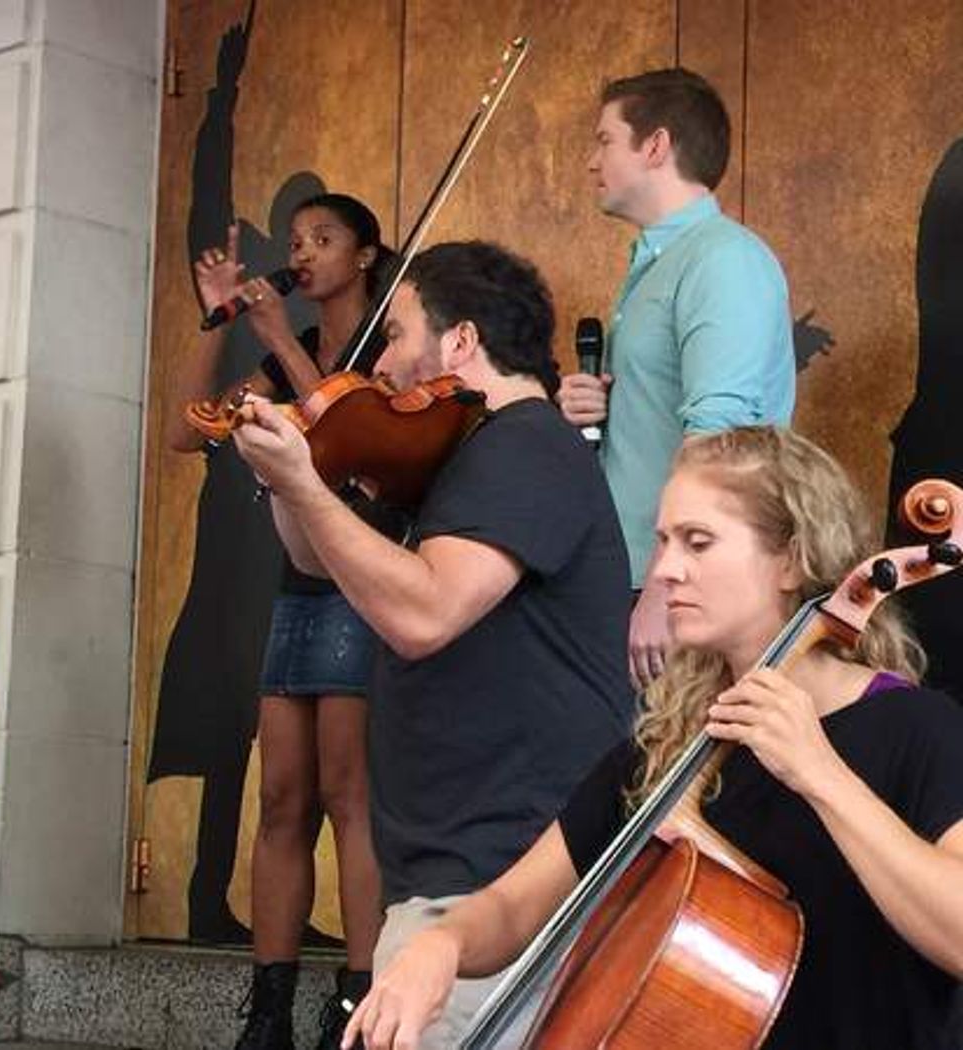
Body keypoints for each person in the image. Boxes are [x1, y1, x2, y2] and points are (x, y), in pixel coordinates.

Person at [343, 427, 963, 1050]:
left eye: (698, 542)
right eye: (663, 542)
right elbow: (512, 907)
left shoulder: (915, 729)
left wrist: (819, 772)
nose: (664, 570)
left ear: (792, 559)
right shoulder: (668, 750)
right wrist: (440, 943)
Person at [234, 240, 634, 1048]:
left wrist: (308, 485)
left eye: (397, 333)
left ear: (460, 342)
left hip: (497, 874)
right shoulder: (454, 457)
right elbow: (322, 555)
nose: (381, 362)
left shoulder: (524, 445)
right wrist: (292, 477)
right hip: (450, 870)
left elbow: (424, 615)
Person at [165, 191, 397, 1050]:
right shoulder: (291, 341)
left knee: (349, 797)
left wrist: (271, 337)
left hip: (365, 578)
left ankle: (358, 1001)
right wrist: (216, 319)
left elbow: (355, 444)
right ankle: (268, 1007)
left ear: (365, 254)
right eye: (295, 240)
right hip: (297, 585)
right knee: (281, 799)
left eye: (323, 239)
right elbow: (192, 434)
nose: (302, 254)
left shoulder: (391, 340)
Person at [559, 68, 796, 691]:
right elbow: (668, 410)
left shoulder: (723, 258)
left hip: (684, 587)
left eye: (605, 140)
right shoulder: (659, 262)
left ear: (656, 146)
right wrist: (601, 408)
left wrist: (668, 588)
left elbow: (720, 436)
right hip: (635, 569)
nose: (591, 161)